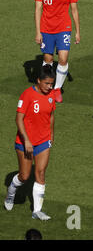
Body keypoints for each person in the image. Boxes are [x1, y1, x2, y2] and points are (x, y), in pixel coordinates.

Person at [4, 65, 56, 221]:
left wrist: (51, 134)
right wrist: (26, 140)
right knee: (24, 176)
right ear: (38, 80)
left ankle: (37, 211)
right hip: (24, 142)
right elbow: (18, 119)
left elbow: (51, 115)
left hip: (43, 141)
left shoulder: (51, 94)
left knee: (40, 173)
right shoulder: (27, 95)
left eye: (51, 83)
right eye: (47, 83)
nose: (50, 87)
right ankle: (10, 194)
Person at [34, 0, 80, 103]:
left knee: (63, 59)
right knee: (48, 61)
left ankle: (57, 89)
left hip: (63, 28)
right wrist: (38, 31)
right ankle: (45, 86)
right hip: (46, 29)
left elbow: (74, 10)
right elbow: (37, 9)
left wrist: (77, 31)